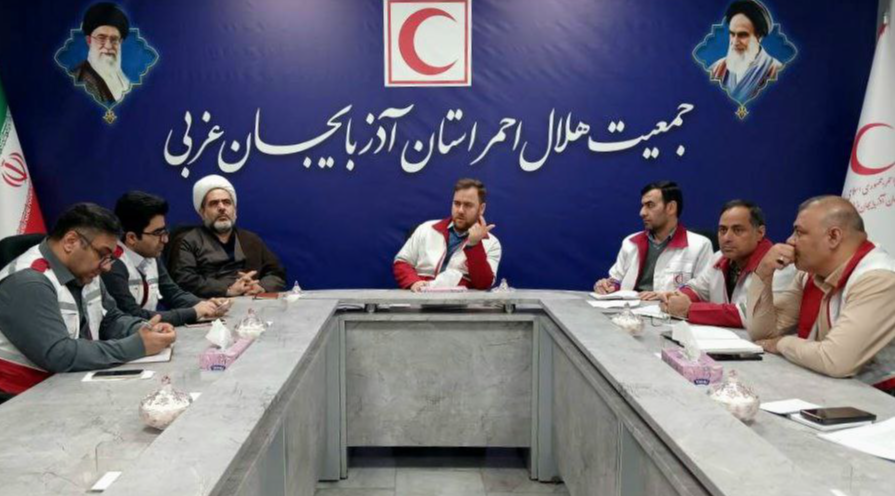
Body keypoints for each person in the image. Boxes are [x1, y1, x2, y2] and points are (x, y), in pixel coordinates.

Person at [0, 203, 176, 396]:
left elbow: (111, 319)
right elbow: (59, 354)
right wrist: (137, 345)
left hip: (65, 385)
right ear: (70, 242)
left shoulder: (85, 270)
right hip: (19, 396)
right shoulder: (28, 281)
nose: (107, 267)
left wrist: (143, 330)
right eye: (102, 254)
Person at [747, 196, 895, 392]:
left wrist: (781, 344)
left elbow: (836, 360)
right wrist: (764, 271)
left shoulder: (878, 278)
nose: (790, 240)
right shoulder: (811, 273)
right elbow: (762, 334)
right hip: (836, 389)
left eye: (799, 232)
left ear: (834, 237)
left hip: (882, 399)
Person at [102, 191, 229, 326]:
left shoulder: (151, 254)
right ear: (132, 238)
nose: (165, 240)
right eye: (157, 233)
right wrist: (193, 312)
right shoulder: (112, 265)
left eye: (164, 231)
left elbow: (173, 293)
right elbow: (133, 315)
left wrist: (205, 304)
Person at [660, 200, 793, 327]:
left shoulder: (779, 266)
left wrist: (690, 310)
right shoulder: (719, 258)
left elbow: (753, 313)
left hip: (766, 342)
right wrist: (676, 297)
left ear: (760, 232)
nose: (727, 238)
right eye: (723, 230)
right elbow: (697, 289)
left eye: (738, 230)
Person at [168, 174, 286, 298]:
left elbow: (277, 272)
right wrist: (227, 290)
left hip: (251, 303)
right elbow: (184, 279)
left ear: (235, 210)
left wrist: (261, 287)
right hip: (210, 304)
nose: (222, 208)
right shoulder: (189, 241)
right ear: (202, 212)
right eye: (214, 203)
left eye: (227, 202)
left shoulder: (251, 239)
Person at [593, 181, 713, 300]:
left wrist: (665, 296)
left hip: (668, 310)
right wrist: (608, 286)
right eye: (642, 206)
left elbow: (703, 292)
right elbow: (616, 281)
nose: (642, 213)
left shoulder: (700, 246)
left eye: (650, 205)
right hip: (628, 308)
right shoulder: (630, 242)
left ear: (671, 208)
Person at [394, 178, 501, 291]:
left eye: (468, 205)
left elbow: (483, 284)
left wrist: (473, 245)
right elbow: (401, 262)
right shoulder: (426, 229)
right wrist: (414, 282)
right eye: (457, 203)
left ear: (481, 209)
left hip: (461, 301)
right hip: (420, 297)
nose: (460, 210)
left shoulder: (491, 243)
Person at [709, 0, 783, 103]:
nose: (735, 42)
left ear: (759, 36)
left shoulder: (777, 71)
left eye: (742, 35)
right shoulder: (717, 68)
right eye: (732, 34)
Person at [72, 2, 132, 104]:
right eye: (101, 38)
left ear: (120, 42)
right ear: (89, 41)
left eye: (114, 39)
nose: (108, 46)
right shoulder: (78, 80)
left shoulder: (123, 78)